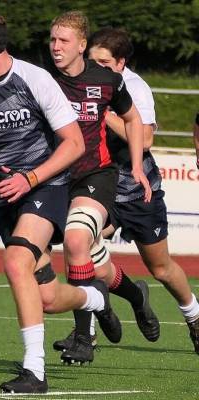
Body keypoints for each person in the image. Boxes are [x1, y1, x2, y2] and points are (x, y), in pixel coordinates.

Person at [0, 8, 122, 394]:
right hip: (7, 199)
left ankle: (34, 371)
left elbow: (74, 143)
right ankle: (93, 298)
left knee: (15, 261)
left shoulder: (34, 79)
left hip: (45, 187)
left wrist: (30, 177)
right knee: (49, 298)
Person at [82, 27, 199, 355]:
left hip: (137, 191)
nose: (97, 67)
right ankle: (86, 330)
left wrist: (105, 115)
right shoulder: (84, 83)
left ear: (121, 63)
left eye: (104, 62)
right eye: (93, 60)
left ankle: (193, 316)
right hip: (99, 187)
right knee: (80, 242)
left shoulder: (135, 88)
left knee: (161, 268)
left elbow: (145, 139)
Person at [47, 12, 155, 365]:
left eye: (63, 40)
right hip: (57, 178)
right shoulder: (42, 81)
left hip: (96, 176)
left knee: (76, 242)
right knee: (96, 265)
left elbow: (133, 119)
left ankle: (83, 338)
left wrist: (137, 167)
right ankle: (129, 297)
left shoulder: (107, 80)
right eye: (52, 40)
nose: (56, 46)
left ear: (81, 45)